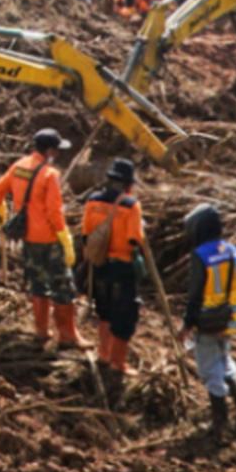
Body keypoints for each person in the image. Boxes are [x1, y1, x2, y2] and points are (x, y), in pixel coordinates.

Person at [0, 129, 83, 350]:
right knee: (63, 287)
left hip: (28, 238)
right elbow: (54, 212)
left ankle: (41, 331)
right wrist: (65, 238)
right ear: (49, 151)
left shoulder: (19, 166)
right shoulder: (50, 175)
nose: (58, 155)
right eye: (56, 150)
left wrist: (0, 212)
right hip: (49, 239)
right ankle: (68, 335)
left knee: (38, 284)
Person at [181, 203, 236, 446]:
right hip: (232, 318)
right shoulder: (233, 250)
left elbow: (195, 295)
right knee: (225, 360)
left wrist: (187, 324)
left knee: (210, 370)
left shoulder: (201, 255)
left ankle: (220, 423)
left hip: (208, 320)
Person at [82, 159, 146, 385]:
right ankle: (118, 363)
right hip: (121, 267)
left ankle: (104, 354)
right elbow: (134, 239)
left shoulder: (93, 201)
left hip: (99, 265)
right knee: (124, 316)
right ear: (128, 184)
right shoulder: (131, 205)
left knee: (105, 311)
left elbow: (86, 234)